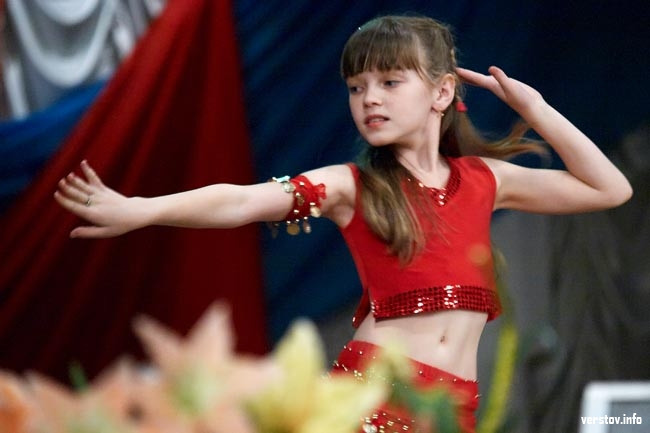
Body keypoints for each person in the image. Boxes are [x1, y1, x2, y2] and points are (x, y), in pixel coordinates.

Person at [54, 15, 632, 433]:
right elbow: (243, 201)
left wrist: (534, 108)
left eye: (389, 82)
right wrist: (143, 209)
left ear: (442, 92)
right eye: (357, 88)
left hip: (452, 407)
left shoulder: (487, 179)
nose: (369, 99)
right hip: (372, 397)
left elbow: (609, 188)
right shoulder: (351, 186)